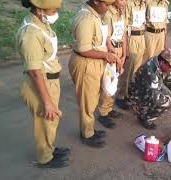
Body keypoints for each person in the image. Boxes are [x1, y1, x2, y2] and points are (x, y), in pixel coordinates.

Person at [17, 0, 69, 168]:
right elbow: (34, 71)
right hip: (40, 83)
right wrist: (47, 102)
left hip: (49, 80)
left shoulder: (40, 23)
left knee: (50, 122)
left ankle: (49, 149)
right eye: (53, 10)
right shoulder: (31, 33)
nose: (55, 14)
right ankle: (45, 158)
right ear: (39, 9)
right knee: (45, 121)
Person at [68, 0, 121, 148]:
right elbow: (83, 49)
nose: (109, 7)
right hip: (86, 63)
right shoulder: (85, 18)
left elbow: (102, 39)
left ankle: (89, 129)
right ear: (96, 1)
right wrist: (106, 56)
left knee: (93, 97)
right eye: (107, 4)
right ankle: (87, 134)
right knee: (87, 102)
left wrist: (109, 50)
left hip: (96, 61)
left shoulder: (97, 14)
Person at [129, 48, 171, 130]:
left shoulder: (161, 64)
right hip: (138, 95)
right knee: (164, 102)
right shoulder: (151, 72)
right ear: (162, 62)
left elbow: (170, 80)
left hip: (148, 90)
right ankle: (145, 118)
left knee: (167, 96)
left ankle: (145, 110)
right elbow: (157, 99)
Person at [97, 0, 127, 129]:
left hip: (120, 50)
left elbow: (124, 35)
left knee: (115, 79)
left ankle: (109, 108)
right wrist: (113, 54)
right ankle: (103, 113)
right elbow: (106, 38)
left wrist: (124, 54)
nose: (125, 2)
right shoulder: (108, 14)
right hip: (111, 51)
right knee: (107, 80)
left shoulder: (122, 12)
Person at [115, 0, 147, 110]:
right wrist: (126, 48)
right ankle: (120, 95)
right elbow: (124, 26)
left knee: (136, 69)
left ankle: (129, 93)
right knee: (127, 70)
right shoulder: (128, 4)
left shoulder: (143, 3)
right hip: (131, 38)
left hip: (141, 37)